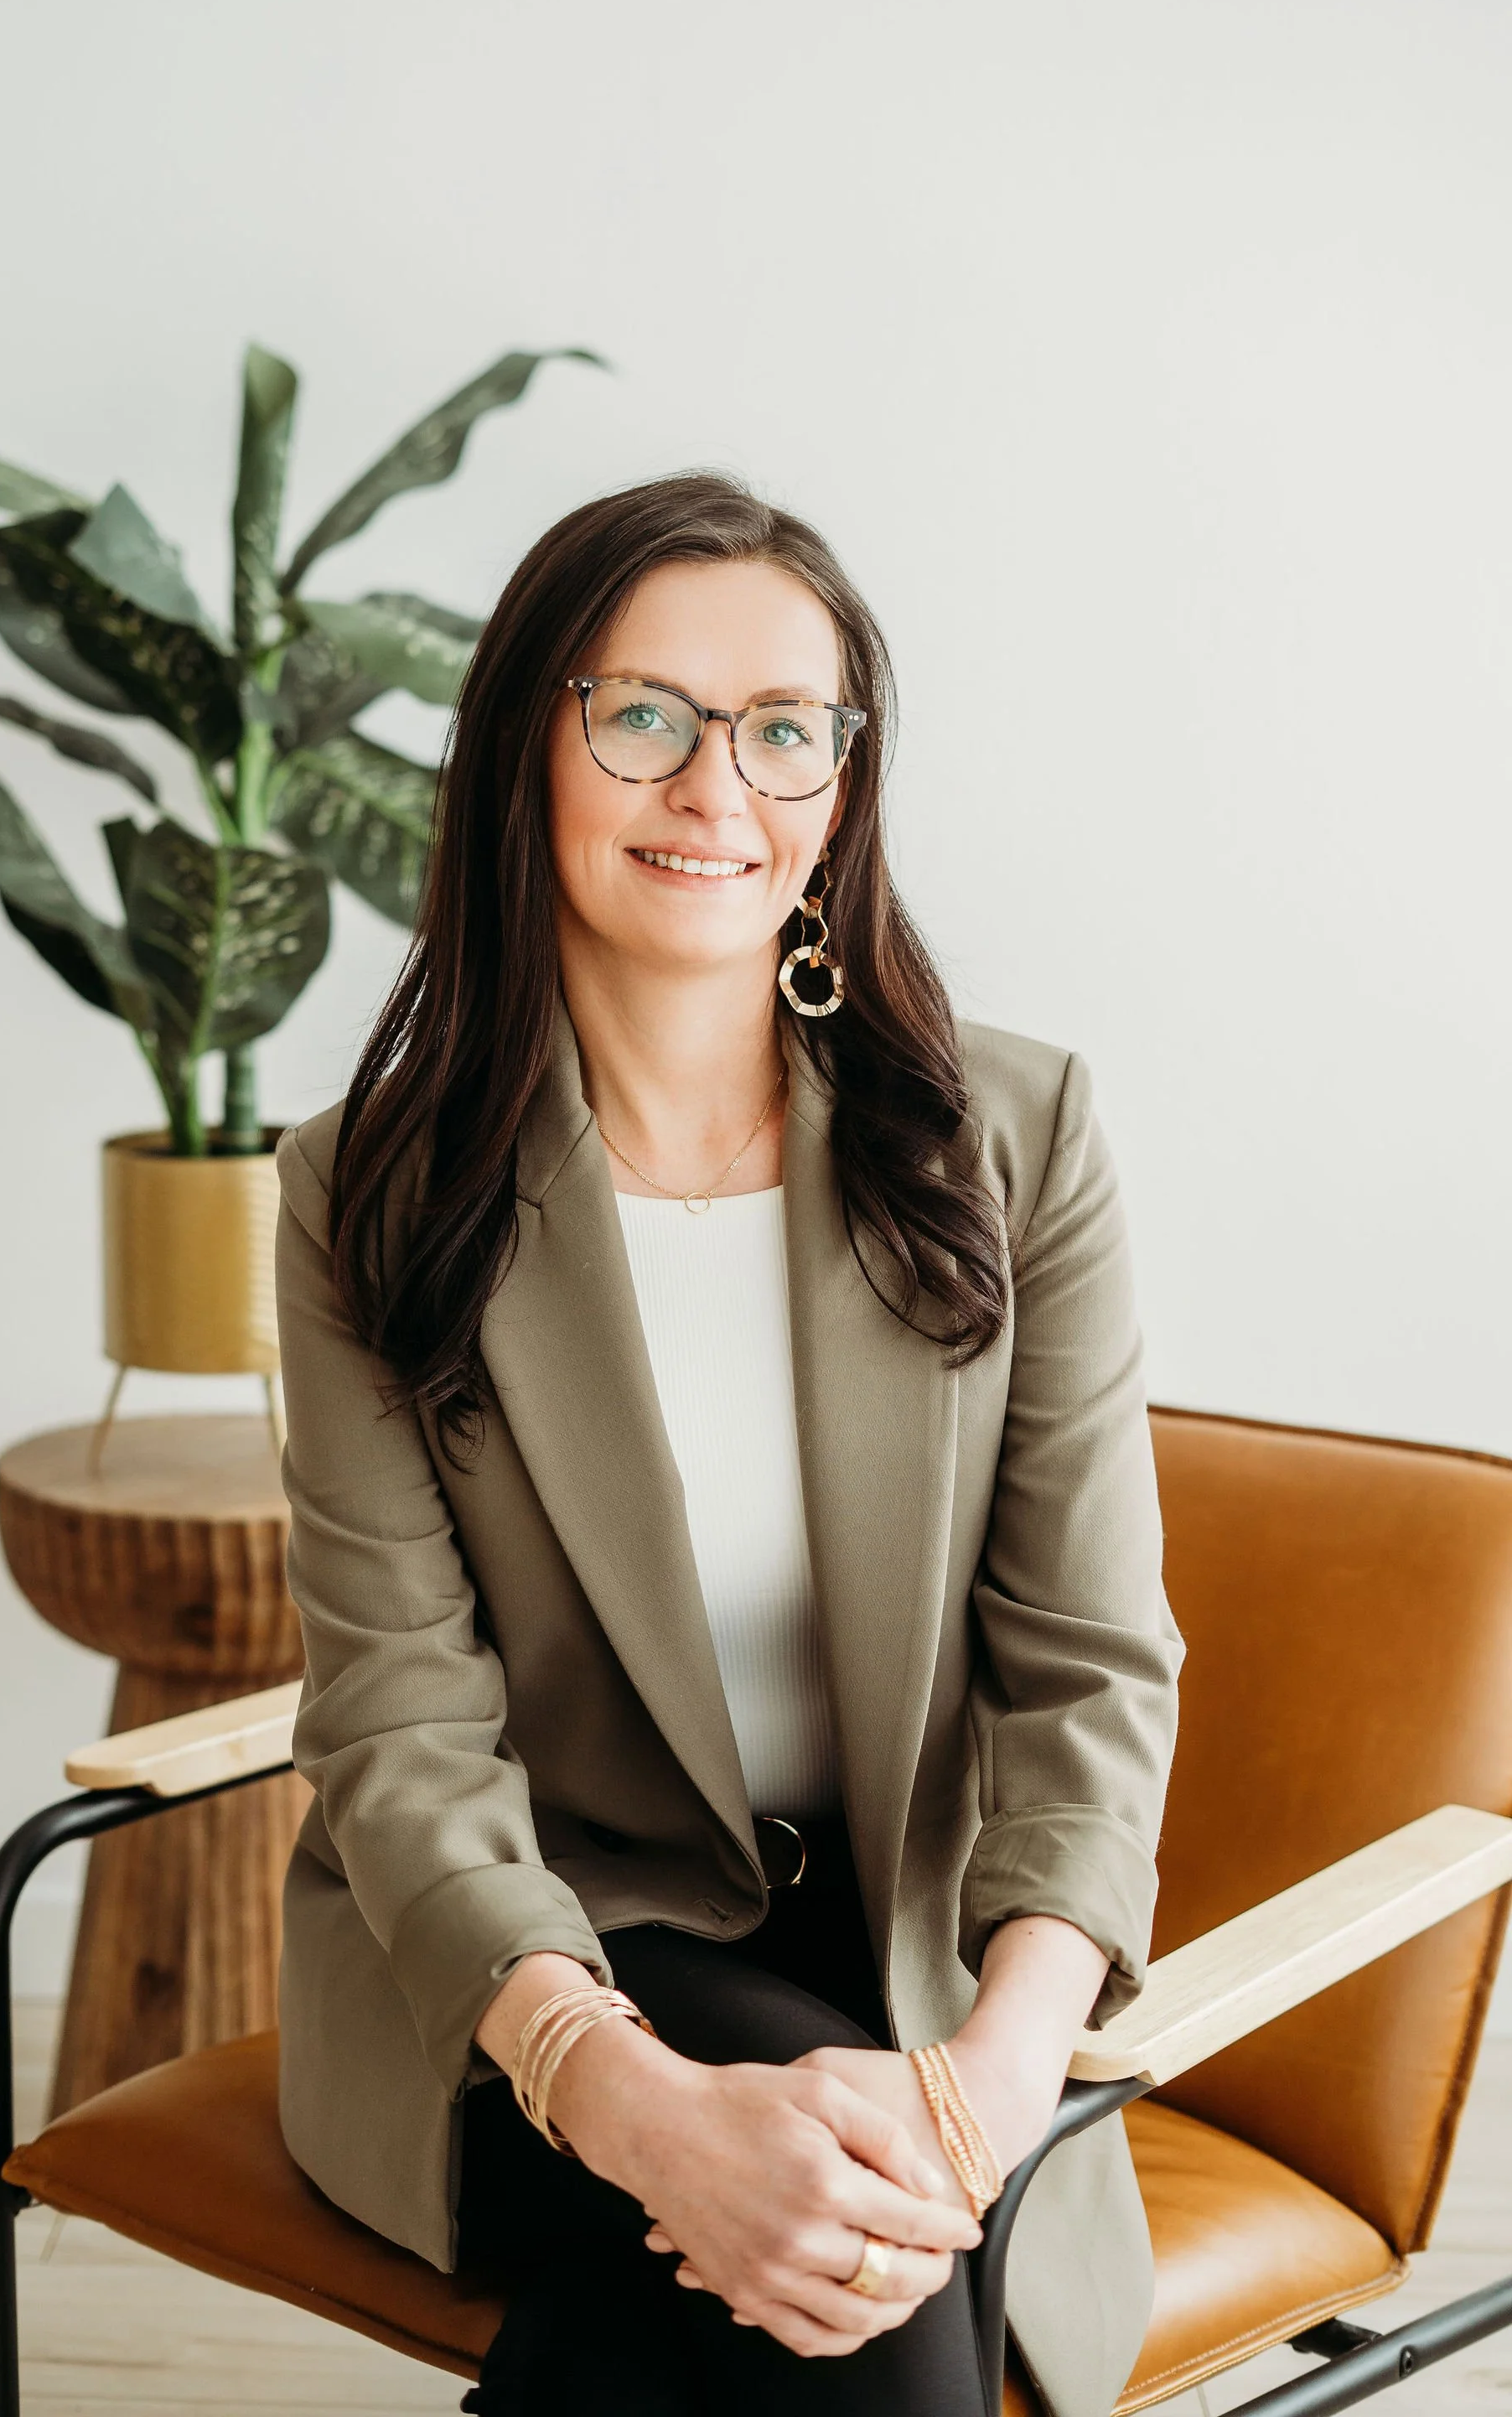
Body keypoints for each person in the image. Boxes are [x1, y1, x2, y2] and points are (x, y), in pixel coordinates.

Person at [271, 473, 1183, 2417]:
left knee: (802, 2259)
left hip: (926, 1948)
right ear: (526, 743)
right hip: (539, 1940)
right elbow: (401, 1731)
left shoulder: (1013, 1141)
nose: (718, 788)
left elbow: (1089, 1672)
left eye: (785, 731)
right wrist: (627, 2100)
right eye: (645, 717)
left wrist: (996, 2085)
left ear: (844, 786)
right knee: (851, 2308)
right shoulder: (370, 1190)